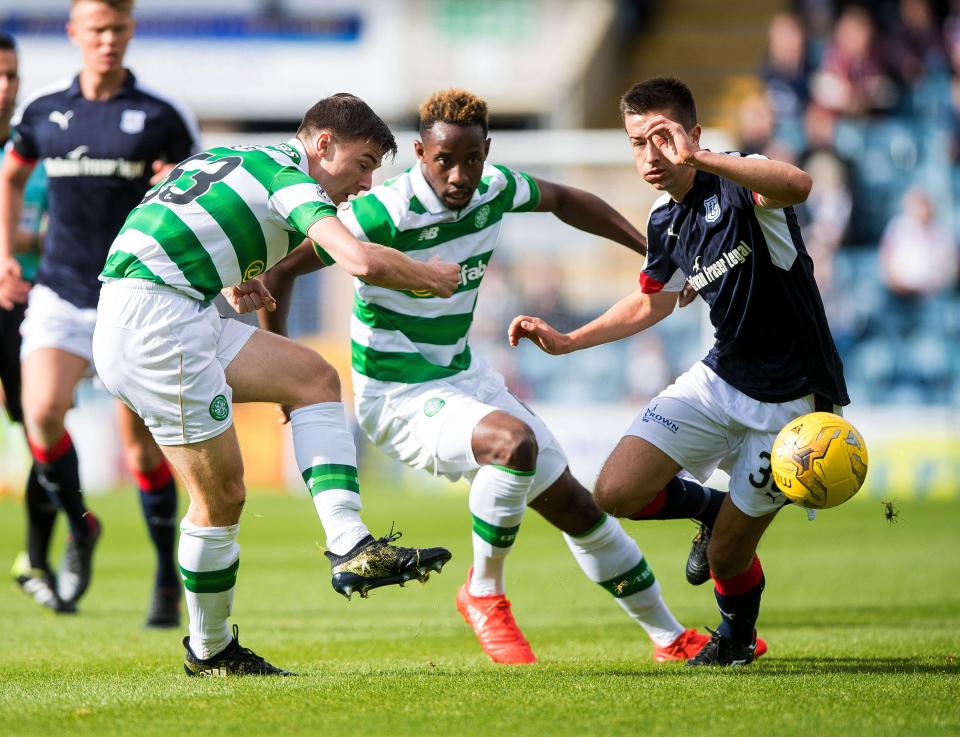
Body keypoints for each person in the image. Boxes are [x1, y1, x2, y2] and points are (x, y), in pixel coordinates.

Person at [254, 88, 718, 665]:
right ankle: (484, 592)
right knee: (512, 444)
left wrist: (653, 251)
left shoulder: (495, 188)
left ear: (486, 152)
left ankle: (670, 637)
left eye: (470, 159)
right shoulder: (380, 211)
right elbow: (280, 272)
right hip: (397, 395)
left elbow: (569, 200)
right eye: (443, 160)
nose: (458, 174)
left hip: (464, 376)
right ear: (421, 153)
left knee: (576, 506)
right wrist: (280, 365)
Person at [93, 92, 461, 676]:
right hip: (158, 329)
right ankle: (210, 651)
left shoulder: (237, 157)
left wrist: (231, 279)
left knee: (313, 378)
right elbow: (358, 260)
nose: (363, 185)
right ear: (323, 145)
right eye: (363, 164)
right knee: (222, 501)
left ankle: (350, 544)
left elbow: (168, 222)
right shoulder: (291, 179)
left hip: (171, 310)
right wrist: (432, 278)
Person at [509, 77, 849, 666]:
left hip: (794, 401)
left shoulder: (741, 177)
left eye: (663, 139)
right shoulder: (664, 218)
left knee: (725, 558)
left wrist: (703, 157)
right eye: (637, 142)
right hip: (720, 378)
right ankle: (709, 507)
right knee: (615, 490)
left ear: (693, 135)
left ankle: (737, 639)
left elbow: (799, 185)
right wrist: (569, 341)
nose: (650, 156)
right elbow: (651, 301)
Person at [0, 0, 200, 626]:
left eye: (117, 29)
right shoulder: (44, 113)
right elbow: (11, 176)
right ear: (75, 34)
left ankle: (167, 578)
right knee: (40, 414)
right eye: (96, 30)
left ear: (130, 31)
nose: (107, 40)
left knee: (140, 450)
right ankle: (80, 525)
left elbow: (196, 189)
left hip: (133, 297)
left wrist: (172, 182)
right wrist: (7, 253)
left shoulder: (161, 117)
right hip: (59, 291)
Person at [0, 31, 58, 610]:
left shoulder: (37, 152)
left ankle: (36, 558)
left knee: (39, 425)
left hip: (22, 304)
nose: (3, 87)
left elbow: (69, 227)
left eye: (11, 74)